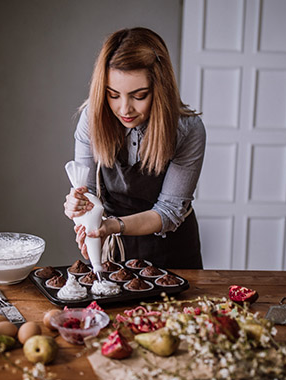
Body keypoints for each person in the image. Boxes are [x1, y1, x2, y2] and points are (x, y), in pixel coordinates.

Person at [63, 27, 205, 269]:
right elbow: (89, 193)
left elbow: (169, 211)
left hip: (172, 249)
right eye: (113, 95)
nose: (124, 109)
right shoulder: (93, 118)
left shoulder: (188, 130)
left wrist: (114, 225)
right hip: (113, 247)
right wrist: (82, 212)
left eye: (138, 96)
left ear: (160, 90)